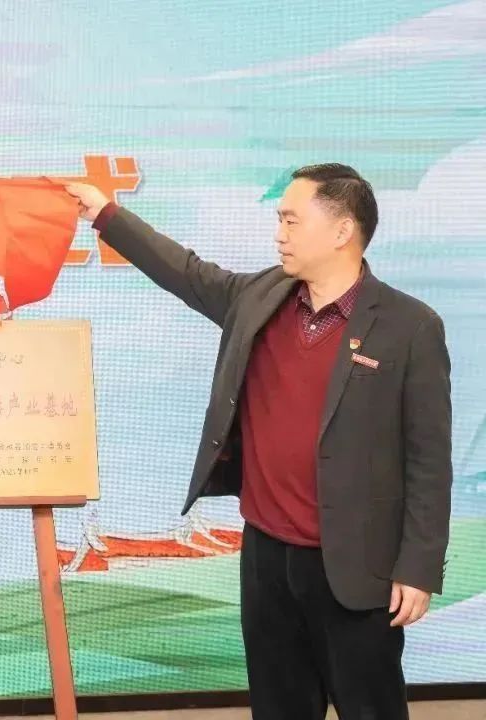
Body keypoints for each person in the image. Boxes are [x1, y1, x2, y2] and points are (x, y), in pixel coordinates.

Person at [67, 164, 451, 720]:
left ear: (342, 231)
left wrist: (418, 567)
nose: (279, 234)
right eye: (280, 220)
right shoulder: (260, 298)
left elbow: (429, 460)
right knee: (278, 707)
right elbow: (184, 271)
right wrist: (106, 214)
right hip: (267, 557)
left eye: (292, 221)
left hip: (354, 564)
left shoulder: (409, 326)